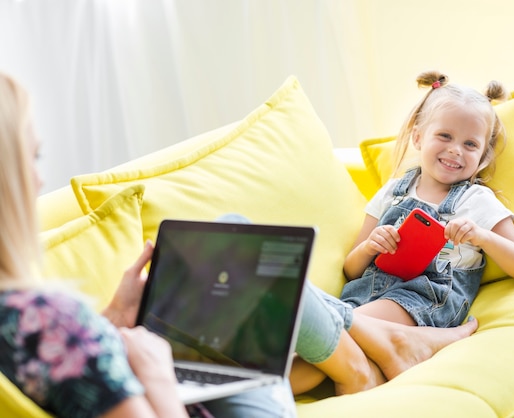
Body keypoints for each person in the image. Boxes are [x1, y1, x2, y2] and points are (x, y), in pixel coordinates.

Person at [0, 72, 296, 418]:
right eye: (31, 159)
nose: (39, 179)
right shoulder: (51, 318)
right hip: (174, 396)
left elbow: (63, 375)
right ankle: (354, 346)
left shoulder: (29, 318)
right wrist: (158, 373)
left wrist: (114, 318)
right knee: (243, 261)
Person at [289, 70, 514, 396]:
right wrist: (370, 248)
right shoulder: (394, 191)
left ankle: (421, 336)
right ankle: (237, 397)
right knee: (317, 355)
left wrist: (482, 237)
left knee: (322, 325)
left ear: (483, 156)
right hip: (366, 293)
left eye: (470, 144)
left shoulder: (476, 200)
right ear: (418, 137)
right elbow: (352, 268)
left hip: (425, 299)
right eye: (445, 136)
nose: (455, 150)